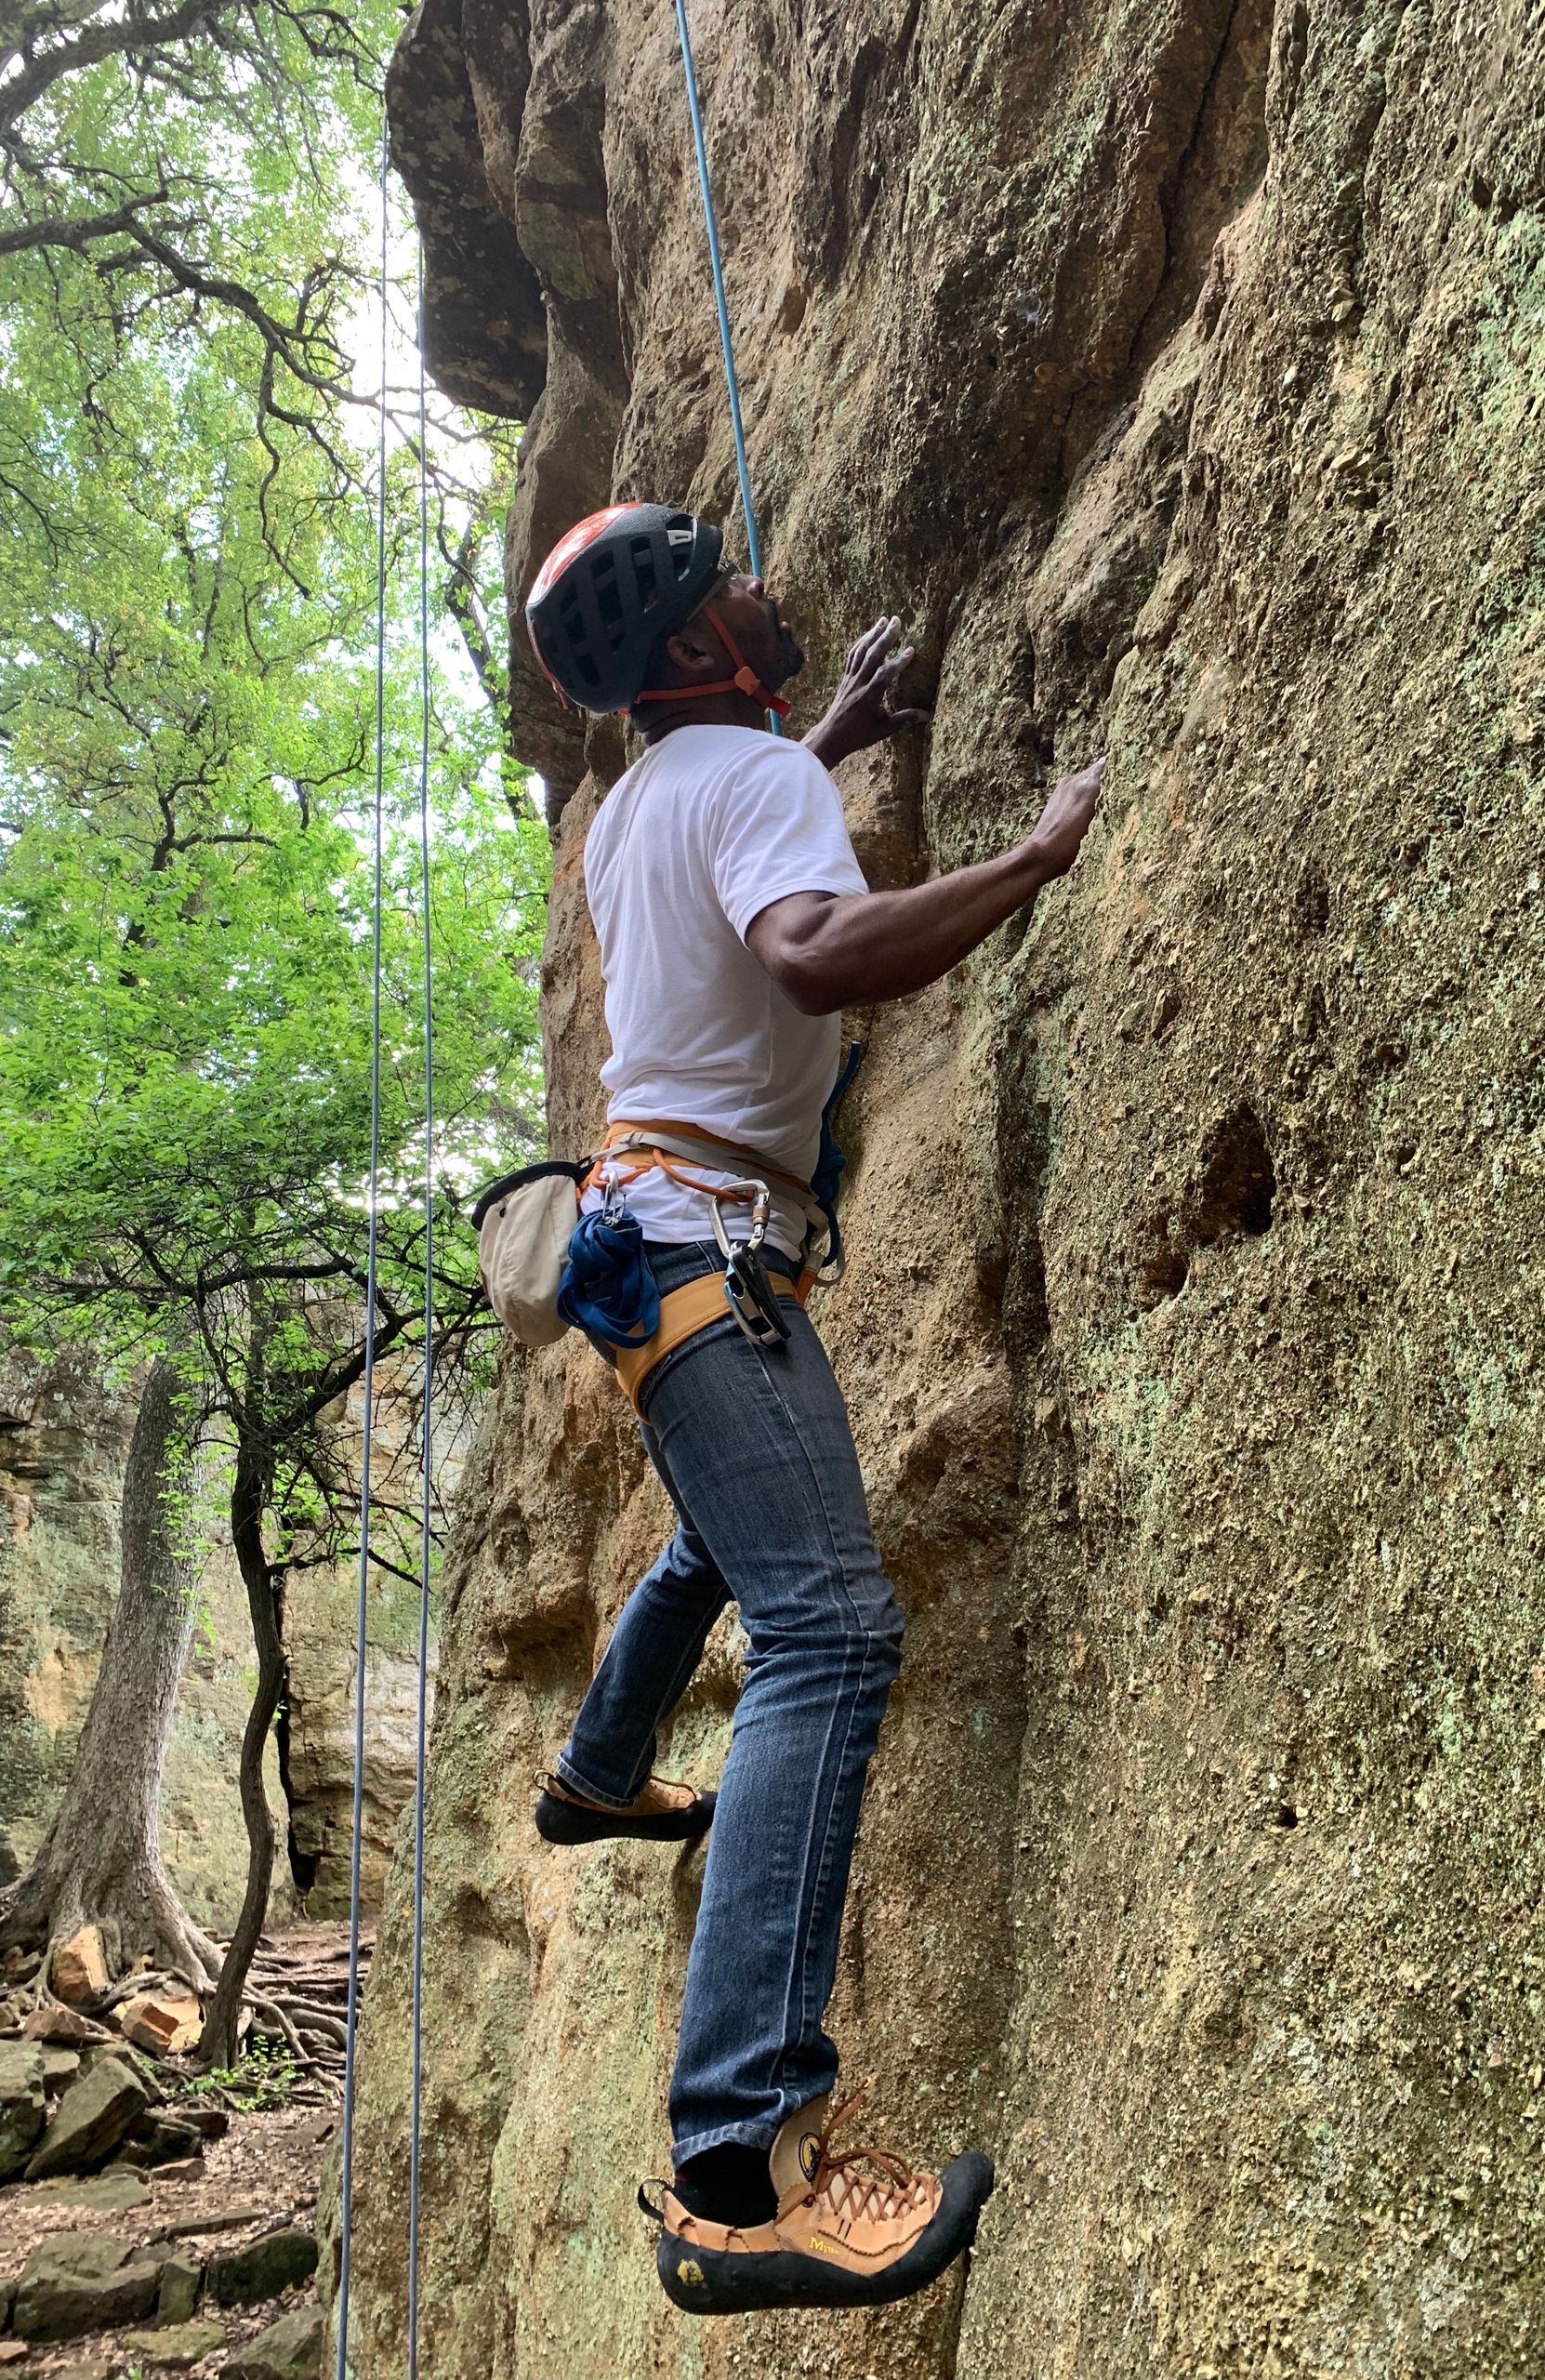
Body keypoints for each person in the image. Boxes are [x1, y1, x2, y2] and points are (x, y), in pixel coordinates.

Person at [522, 502, 1103, 2315]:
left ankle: (602, 1769)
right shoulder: (747, 780)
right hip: (705, 1242)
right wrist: (1032, 856)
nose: (761, 598)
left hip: (634, 1241)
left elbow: (734, 834)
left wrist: (832, 734)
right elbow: (806, 948)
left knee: (734, 1529)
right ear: (696, 647)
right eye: (728, 590)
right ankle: (739, 2163)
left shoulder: (645, 800)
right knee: (834, 1632)